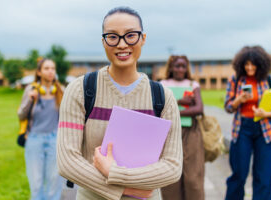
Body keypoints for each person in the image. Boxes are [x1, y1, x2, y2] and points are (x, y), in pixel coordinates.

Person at [56, 7, 182, 200]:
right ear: (103, 41)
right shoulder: (80, 90)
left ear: (143, 38)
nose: (122, 44)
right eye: (112, 37)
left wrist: (115, 173)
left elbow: (172, 166)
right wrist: (126, 190)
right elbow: (67, 162)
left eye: (131, 35)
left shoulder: (163, 97)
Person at [224, 46, 271, 200]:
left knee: (264, 176)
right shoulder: (235, 80)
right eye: (246, 64)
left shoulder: (270, 80)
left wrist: (266, 113)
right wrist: (238, 100)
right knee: (239, 174)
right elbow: (228, 107)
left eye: (253, 64)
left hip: (264, 131)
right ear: (241, 64)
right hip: (242, 129)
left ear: (260, 64)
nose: (249, 67)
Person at [18, 58, 64, 200]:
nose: (50, 71)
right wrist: (30, 100)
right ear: (39, 72)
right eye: (46, 68)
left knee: (54, 182)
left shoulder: (60, 91)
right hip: (34, 139)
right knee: (36, 183)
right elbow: (21, 115)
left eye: (52, 68)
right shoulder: (30, 90)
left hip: (55, 139)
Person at [160, 55, 205, 200]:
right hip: (169, 133)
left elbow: (199, 109)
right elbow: (159, 108)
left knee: (193, 177)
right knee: (171, 177)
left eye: (183, 66)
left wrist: (174, 111)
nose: (180, 69)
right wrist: (180, 101)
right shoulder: (163, 84)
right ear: (171, 68)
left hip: (190, 132)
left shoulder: (192, 84)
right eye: (177, 66)